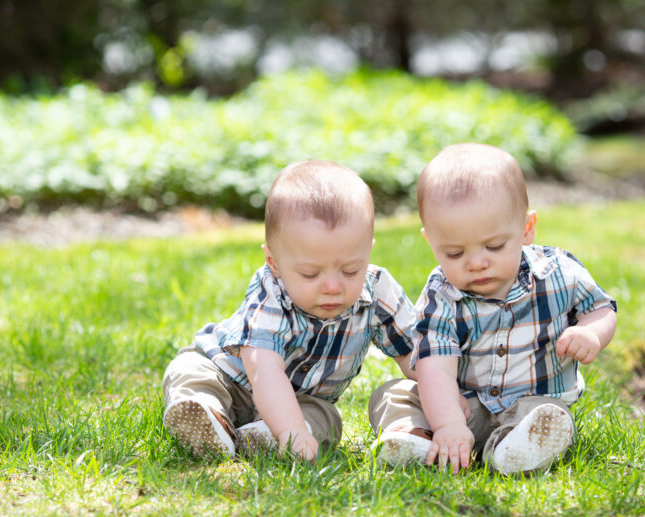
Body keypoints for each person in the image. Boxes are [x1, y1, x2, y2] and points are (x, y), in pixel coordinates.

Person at [369, 143, 617, 474]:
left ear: (526, 229)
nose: (476, 263)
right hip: (462, 408)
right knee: (393, 394)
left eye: (494, 246)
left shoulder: (559, 273)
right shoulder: (441, 294)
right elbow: (435, 367)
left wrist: (591, 333)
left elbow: (601, 308)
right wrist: (448, 424)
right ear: (431, 242)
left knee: (545, 414)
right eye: (454, 253)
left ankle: (515, 448)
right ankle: (417, 438)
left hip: (531, 404)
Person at [162, 159, 418, 461]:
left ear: (368, 249)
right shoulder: (271, 289)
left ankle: (262, 437)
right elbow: (264, 370)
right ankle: (207, 415)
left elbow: (416, 354)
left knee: (326, 419)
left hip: (302, 400)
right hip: (231, 379)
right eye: (310, 274)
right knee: (190, 371)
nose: (333, 287)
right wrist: (291, 428)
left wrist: (446, 401)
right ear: (274, 262)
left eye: (351, 270)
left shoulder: (378, 289)